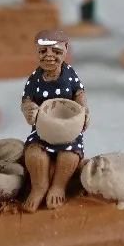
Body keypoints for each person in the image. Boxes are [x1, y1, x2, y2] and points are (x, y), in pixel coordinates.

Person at [21, 29, 90, 213]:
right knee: (34, 155)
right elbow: (26, 100)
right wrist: (29, 110)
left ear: (66, 49)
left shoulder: (70, 74)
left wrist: (84, 110)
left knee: (69, 156)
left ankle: (58, 187)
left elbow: (79, 93)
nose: (49, 56)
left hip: (69, 130)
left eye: (56, 51)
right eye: (43, 51)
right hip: (42, 129)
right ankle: (39, 187)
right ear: (36, 51)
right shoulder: (34, 78)